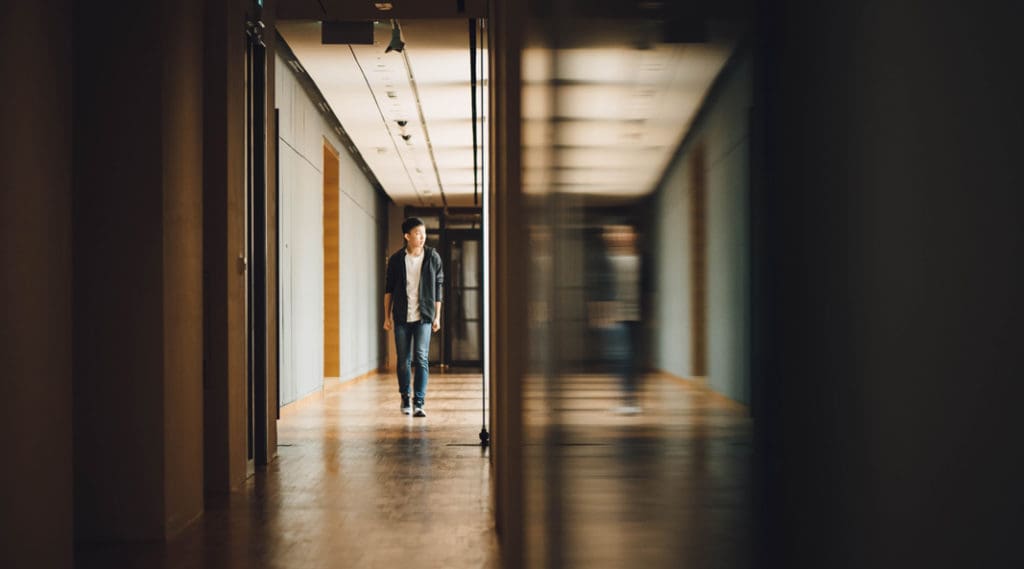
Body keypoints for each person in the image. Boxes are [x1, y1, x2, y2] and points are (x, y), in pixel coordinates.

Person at [383, 217, 444, 417]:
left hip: (424, 316)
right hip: (401, 316)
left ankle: (419, 402)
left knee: (421, 358)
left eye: (423, 233)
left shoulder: (432, 257)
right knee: (403, 360)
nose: (422, 237)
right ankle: (405, 397)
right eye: (417, 233)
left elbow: (438, 288)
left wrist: (437, 317)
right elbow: (388, 290)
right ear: (407, 236)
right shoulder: (396, 260)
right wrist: (387, 317)